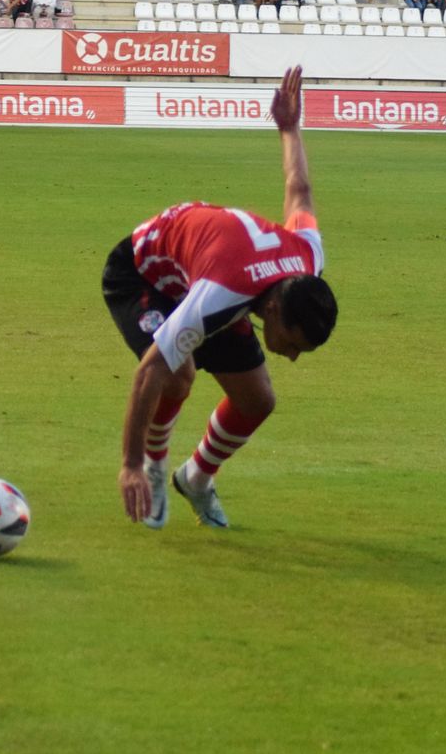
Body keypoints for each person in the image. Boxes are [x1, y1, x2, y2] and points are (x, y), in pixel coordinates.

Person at [105, 68, 336, 529]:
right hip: (144, 275)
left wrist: (290, 128)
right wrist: (130, 463)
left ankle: (196, 478)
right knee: (175, 373)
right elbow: (148, 370)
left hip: (209, 270)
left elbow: (300, 192)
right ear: (272, 310)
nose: (290, 356)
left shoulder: (308, 256)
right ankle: (154, 467)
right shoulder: (221, 294)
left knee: (258, 400)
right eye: (292, 343)